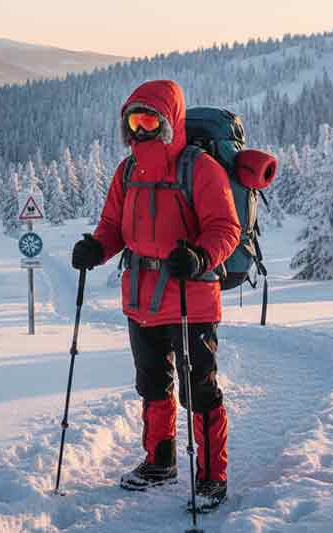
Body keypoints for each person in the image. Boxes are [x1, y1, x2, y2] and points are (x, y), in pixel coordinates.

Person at [70, 80, 240, 509]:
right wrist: (97, 247)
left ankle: (211, 476)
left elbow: (226, 227)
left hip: (191, 298)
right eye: (134, 120)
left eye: (151, 120)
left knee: (199, 389)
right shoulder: (127, 172)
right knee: (152, 384)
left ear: (170, 121)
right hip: (142, 299)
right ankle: (160, 460)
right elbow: (112, 226)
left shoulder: (199, 168)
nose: (141, 129)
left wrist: (201, 257)